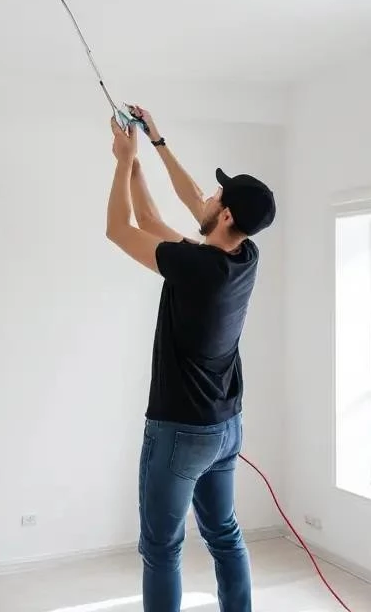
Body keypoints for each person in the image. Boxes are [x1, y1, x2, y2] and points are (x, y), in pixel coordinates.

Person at [104, 106, 276, 612]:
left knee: (161, 548)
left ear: (226, 216)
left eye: (218, 196)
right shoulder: (244, 257)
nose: (209, 195)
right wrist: (145, 152)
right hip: (225, 428)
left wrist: (122, 162)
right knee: (224, 533)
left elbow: (121, 229)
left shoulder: (195, 266)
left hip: (181, 432)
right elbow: (156, 218)